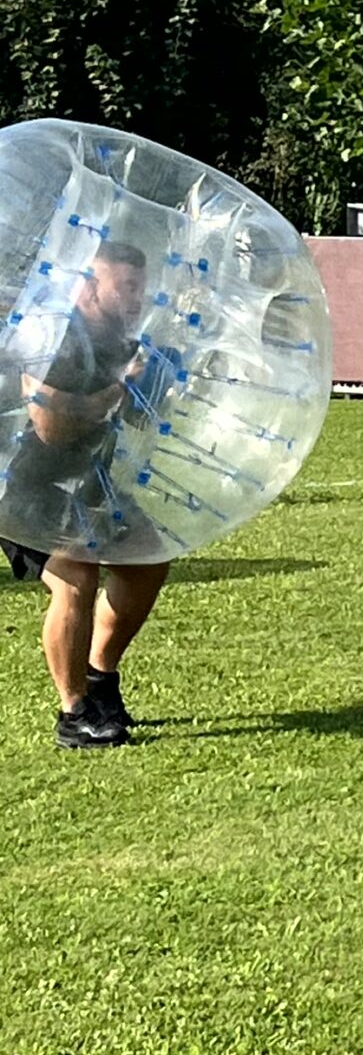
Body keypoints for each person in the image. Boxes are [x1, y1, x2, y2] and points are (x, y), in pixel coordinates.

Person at [0, 238, 168, 748]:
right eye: (126, 286)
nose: (137, 298)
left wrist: (157, 384)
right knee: (76, 574)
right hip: (16, 481)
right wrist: (122, 386)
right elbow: (52, 426)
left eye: (141, 286)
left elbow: (139, 419)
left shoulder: (122, 339)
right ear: (89, 289)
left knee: (148, 559)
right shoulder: (54, 339)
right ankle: (74, 714)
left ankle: (100, 679)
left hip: (84, 478)